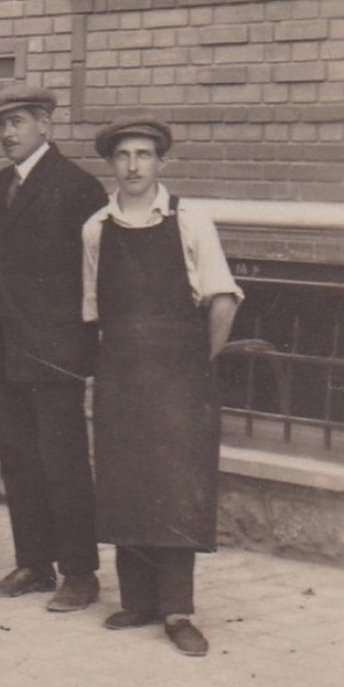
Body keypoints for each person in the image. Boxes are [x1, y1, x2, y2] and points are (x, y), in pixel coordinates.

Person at [0, 85, 109, 612]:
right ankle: (34, 564)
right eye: (0, 126)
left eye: (18, 123)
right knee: (20, 461)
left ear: (45, 127)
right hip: (9, 343)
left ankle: (80, 574)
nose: (7, 134)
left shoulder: (78, 187)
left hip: (56, 347)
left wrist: (88, 342)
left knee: (64, 462)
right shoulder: (5, 183)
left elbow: (101, 271)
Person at [82, 117, 241, 658]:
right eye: (123, 155)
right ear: (111, 164)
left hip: (179, 376)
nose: (133, 166)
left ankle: (177, 610)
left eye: (144, 155)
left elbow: (222, 300)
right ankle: (137, 601)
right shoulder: (96, 228)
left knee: (175, 486)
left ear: (161, 163)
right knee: (125, 479)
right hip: (120, 372)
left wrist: (198, 364)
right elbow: (93, 312)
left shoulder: (192, 221)